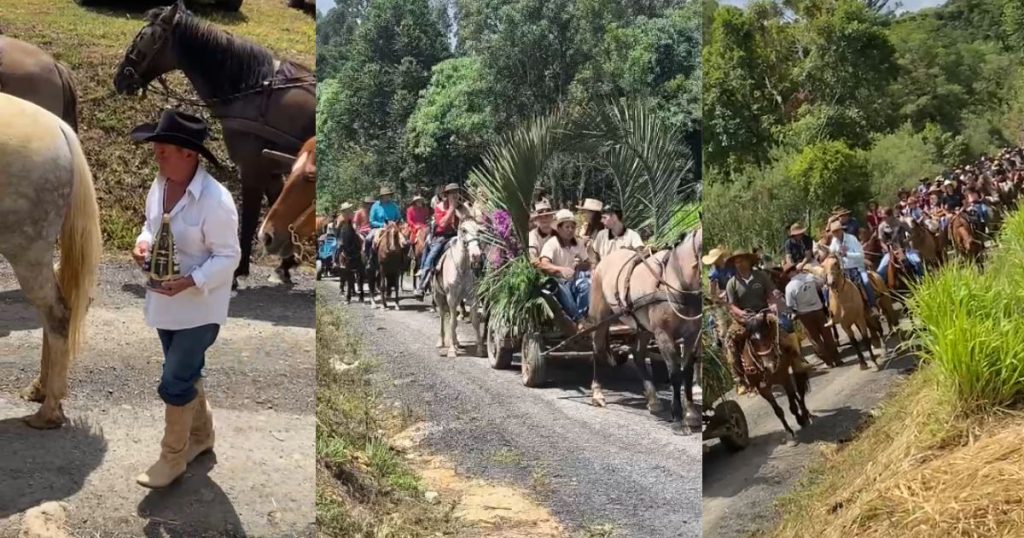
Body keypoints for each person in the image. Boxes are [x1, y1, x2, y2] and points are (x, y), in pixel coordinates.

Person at [129, 110, 241, 489]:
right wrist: (143, 243)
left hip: (200, 308)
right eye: (156, 149)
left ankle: (172, 458)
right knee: (186, 371)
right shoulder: (160, 185)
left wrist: (192, 280)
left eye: (164, 150)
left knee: (175, 377)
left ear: (188, 154)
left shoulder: (216, 200)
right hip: (164, 302)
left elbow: (229, 256)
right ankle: (202, 436)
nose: (156, 156)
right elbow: (150, 225)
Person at [723, 250, 806, 394]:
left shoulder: (761, 276)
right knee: (730, 341)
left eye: (742, 260)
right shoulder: (732, 283)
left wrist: (772, 303)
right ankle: (740, 378)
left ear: (749, 261)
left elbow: (771, 293)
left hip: (764, 312)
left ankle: (797, 361)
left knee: (785, 327)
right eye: (736, 262)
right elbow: (732, 305)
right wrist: (741, 313)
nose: (739, 264)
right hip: (744, 319)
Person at [782, 262, 840, 367]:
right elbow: (822, 282)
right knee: (827, 335)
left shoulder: (789, 287)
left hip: (805, 316)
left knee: (815, 339)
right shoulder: (809, 277)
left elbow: (790, 305)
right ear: (795, 269)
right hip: (818, 310)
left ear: (788, 274)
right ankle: (837, 358)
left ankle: (829, 362)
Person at [538, 210, 591, 323]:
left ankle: (583, 316)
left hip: (574, 281)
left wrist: (579, 266)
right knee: (562, 288)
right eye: (567, 227)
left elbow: (588, 263)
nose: (570, 230)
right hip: (558, 283)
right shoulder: (552, 244)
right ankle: (579, 320)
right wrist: (561, 269)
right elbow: (543, 264)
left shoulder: (578, 243)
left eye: (573, 227)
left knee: (586, 284)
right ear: (559, 228)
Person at [414, 183, 462, 299]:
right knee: (432, 255)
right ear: (447, 195)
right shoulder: (439, 207)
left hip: (458, 235)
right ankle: (422, 285)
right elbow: (443, 224)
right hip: (442, 236)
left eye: (456, 192)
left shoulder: (461, 206)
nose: (455, 195)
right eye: (452, 193)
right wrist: (452, 208)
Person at [826, 219, 878, 316]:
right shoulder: (834, 242)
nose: (836, 234)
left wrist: (847, 254)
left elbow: (861, 255)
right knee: (830, 286)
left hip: (857, 267)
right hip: (843, 270)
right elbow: (831, 253)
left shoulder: (852, 239)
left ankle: (873, 306)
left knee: (866, 282)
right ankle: (833, 312)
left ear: (841, 230)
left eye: (837, 231)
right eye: (833, 232)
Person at [876, 207, 925, 279]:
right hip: (891, 252)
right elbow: (881, 241)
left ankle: (922, 278)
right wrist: (887, 249)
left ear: (891, 215)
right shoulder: (881, 227)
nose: (883, 219)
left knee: (917, 262)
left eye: (885, 217)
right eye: (882, 217)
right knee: (880, 270)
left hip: (905, 249)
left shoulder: (901, 222)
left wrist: (907, 240)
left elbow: (912, 233)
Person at [364, 186, 401, 262]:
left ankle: (405, 260)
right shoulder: (375, 206)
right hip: (378, 228)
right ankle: (369, 259)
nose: (387, 197)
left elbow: (398, 217)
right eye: (385, 195)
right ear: (382, 196)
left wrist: (395, 223)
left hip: (392, 228)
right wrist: (382, 225)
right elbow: (371, 221)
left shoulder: (393, 205)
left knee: (405, 242)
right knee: (368, 239)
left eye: (388, 195)